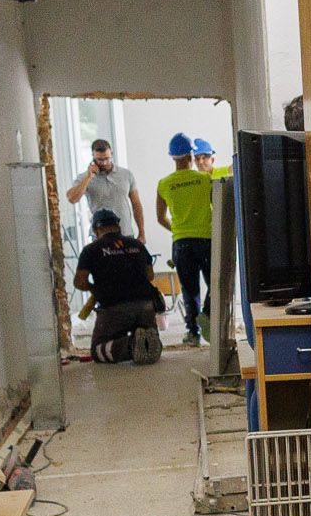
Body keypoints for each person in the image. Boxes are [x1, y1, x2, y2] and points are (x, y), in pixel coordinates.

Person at [72, 209, 162, 364]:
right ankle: (147, 342)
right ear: (118, 226)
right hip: (146, 306)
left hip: (114, 308)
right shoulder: (137, 245)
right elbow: (150, 276)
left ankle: (130, 345)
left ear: (96, 229)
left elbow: (79, 282)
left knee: (98, 350)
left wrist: (95, 289)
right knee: (147, 339)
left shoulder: (91, 250)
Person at [155, 132, 217, 347]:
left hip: (181, 243)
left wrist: (179, 230)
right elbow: (216, 207)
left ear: (172, 157)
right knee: (214, 284)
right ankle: (208, 315)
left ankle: (193, 333)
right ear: (191, 155)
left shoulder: (164, 184)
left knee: (190, 291)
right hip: (206, 240)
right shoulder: (205, 179)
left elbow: (160, 218)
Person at [65, 138, 145, 242]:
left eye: (107, 158)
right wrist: (89, 177)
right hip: (99, 236)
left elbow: (136, 204)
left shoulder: (126, 174)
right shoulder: (84, 177)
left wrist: (142, 233)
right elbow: (72, 198)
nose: (104, 163)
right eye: (100, 160)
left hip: (125, 233)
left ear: (111, 154)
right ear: (93, 157)